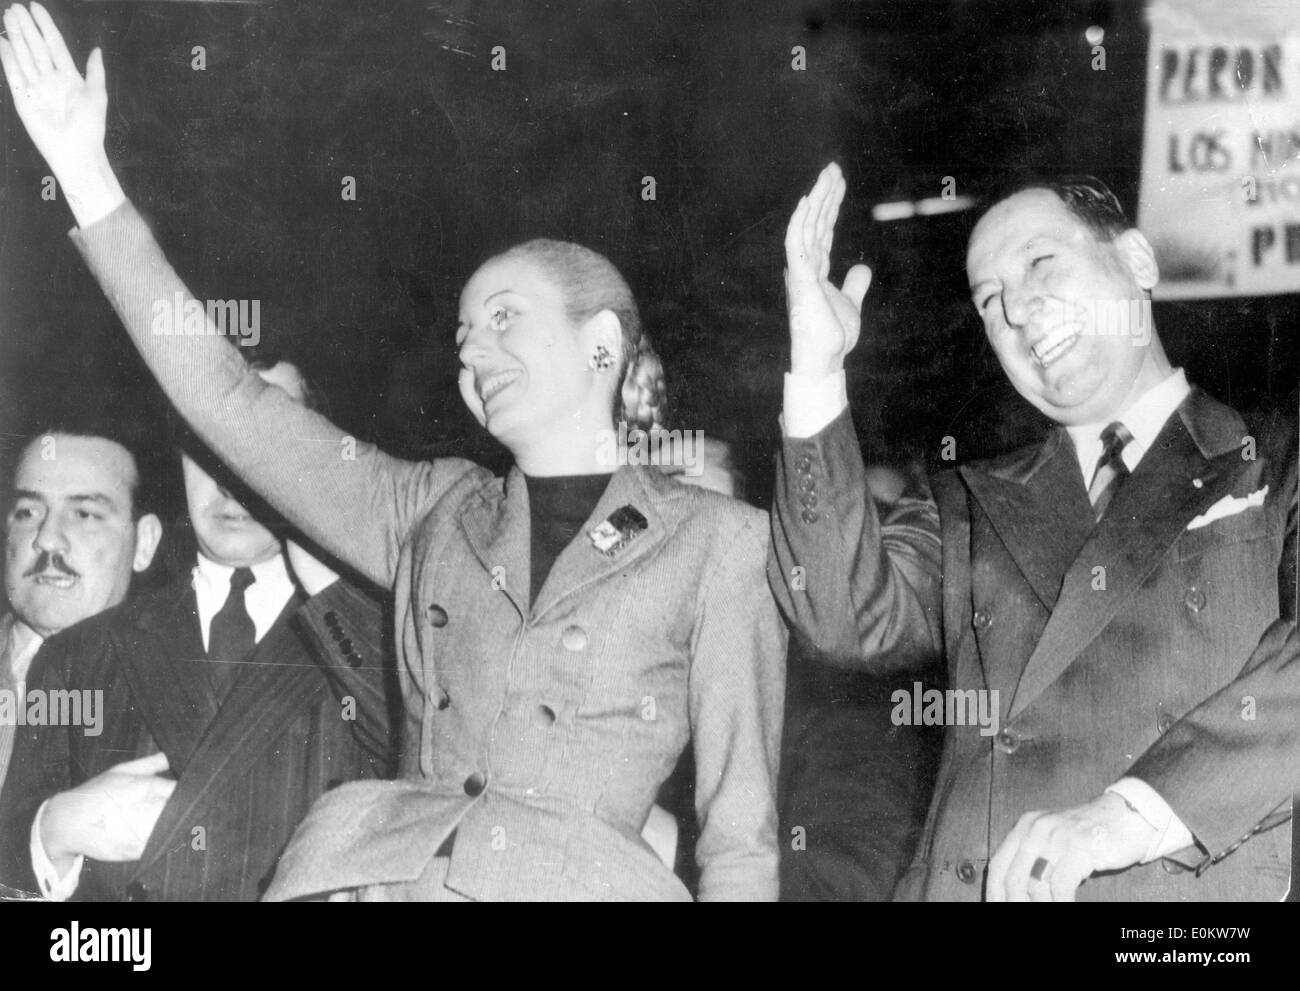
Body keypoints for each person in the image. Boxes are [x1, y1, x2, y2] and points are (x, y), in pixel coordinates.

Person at [0, 4, 785, 901]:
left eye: (503, 321)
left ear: (601, 345)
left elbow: (742, 833)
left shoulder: (721, 543)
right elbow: (231, 402)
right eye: (460, 338)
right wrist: (87, 177)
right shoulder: (433, 510)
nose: (471, 353)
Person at [770, 162, 1297, 901]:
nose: (1018, 309)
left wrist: (1128, 815)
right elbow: (838, 617)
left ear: (1138, 262)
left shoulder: (1278, 453)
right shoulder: (965, 494)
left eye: (1041, 263)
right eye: (991, 300)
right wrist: (817, 367)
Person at [0, 360, 394, 901]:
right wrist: (54, 829)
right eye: (208, 438)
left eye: (267, 434)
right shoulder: (77, 655)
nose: (232, 472)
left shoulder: (386, 647)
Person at [1, 419, 163, 795]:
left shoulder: (176, 693)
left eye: (84, 514)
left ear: (144, 543)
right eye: (28, 512)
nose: (48, 540)